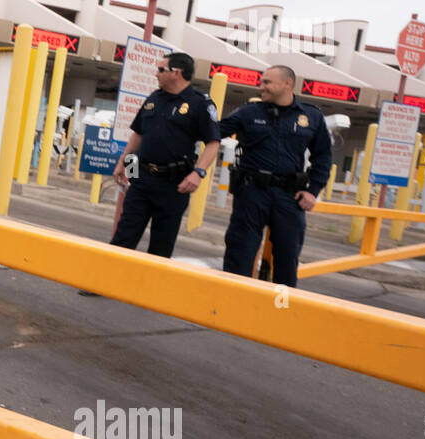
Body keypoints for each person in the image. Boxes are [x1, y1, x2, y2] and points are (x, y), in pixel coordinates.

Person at [97, 51, 221, 267]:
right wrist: (124, 164)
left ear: (177, 73)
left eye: (161, 69)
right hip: (143, 179)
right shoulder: (154, 98)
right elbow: (138, 134)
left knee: (161, 245)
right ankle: (104, 281)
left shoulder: (200, 103)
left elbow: (213, 143)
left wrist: (198, 173)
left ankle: (151, 293)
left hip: (175, 185)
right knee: (124, 234)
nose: (156, 74)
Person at [219, 64, 332, 288]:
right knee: (240, 253)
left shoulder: (311, 116)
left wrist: (313, 191)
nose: (261, 87)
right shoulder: (249, 112)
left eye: (267, 82)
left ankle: (280, 312)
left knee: (288, 257)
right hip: (251, 193)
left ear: (287, 83)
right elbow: (213, 132)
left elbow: (323, 157)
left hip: (289, 197)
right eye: (261, 82)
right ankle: (232, 306)